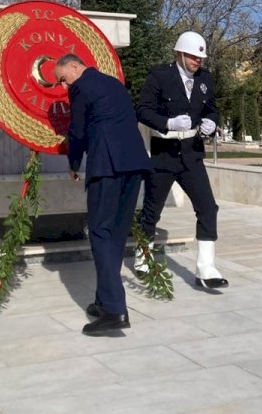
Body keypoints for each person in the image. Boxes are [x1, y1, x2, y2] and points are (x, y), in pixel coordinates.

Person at [54, 53, 153, 335]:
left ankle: (114, 310)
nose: (64, 87)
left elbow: (78, 131)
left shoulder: (81, 88)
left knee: (100, 232)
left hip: (107, 167)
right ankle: (103, 299)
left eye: (63, 79)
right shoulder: (113, 83)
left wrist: (73, 163)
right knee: (116, 235)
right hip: (134, 164)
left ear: (75, 67)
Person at [136, 31, 228, 290]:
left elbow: (211, 107)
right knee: (152, 210)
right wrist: (168, 123)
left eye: (200, 57)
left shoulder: (206, 79)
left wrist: (212, 121)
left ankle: (205, 267)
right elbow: (142, 110)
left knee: (208, 208)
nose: (197, 61)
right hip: (164, 152)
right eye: (192, 56)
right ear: (179, 53)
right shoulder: (159, 76)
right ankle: (143, 256)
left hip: (192, 153)